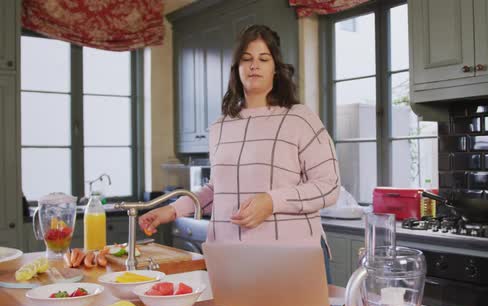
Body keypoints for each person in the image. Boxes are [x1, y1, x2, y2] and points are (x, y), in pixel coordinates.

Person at [138, 25, 340, 281]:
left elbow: (329, 185)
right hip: (233, 257)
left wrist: (271, 201)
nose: (254, 65)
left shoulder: (299, 118)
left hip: (293, 257)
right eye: (246, 59)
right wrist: (174, 210)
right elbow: (217, 190)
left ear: (275, 68)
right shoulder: (220, 126)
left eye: (263, 59)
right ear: (237, 69)